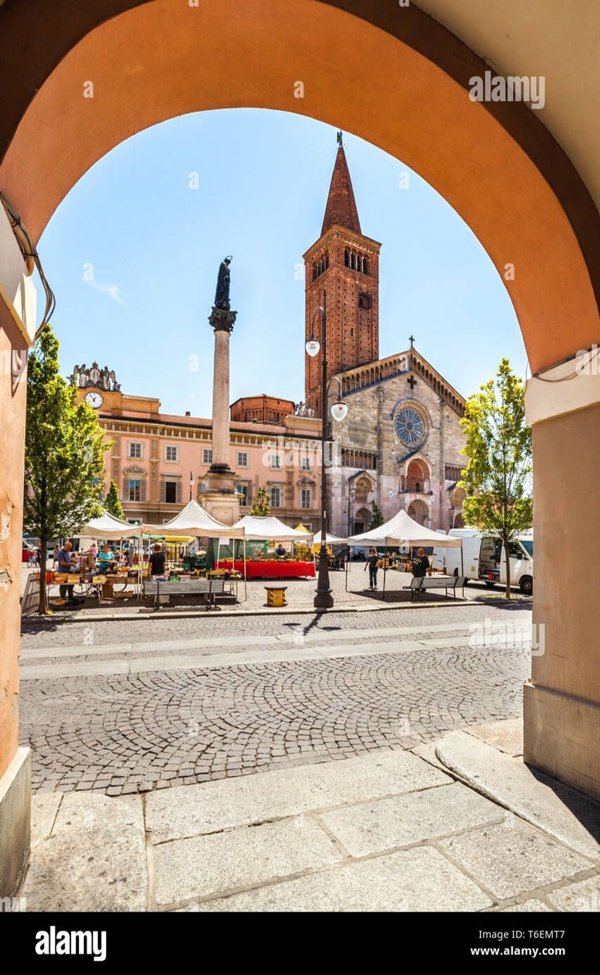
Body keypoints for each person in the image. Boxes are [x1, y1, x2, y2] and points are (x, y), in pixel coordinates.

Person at [56, 540, 80, 605]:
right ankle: (62, 598)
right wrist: (71, 564)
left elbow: (68, 559)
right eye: (68, 548)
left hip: (69, 571)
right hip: (62, 572)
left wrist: (74, 560)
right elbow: (62, 563)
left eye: (70, 548)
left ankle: (71, 597)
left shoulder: (67, 552)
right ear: (65, 546)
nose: (69, 549)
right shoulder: (61, 552)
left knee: (71, 585)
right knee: (63, 586)